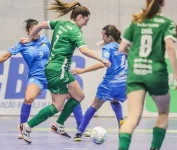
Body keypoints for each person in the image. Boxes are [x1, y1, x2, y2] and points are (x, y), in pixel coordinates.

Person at [19, 0, 110, 143]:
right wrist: (102, 60)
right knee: (58, 105)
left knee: (79, 96)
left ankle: (59, 124)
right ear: (80, 17)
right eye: (86, 20)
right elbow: (84, 50)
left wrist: (29, 38)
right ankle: (27, 127)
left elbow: (41, 24)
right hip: (58, 70)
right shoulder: (75, 31)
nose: (86, 24)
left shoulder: (61, 24)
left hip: (60, 69)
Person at [0, 18, 85, 139]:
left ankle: (81, 128)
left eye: (38, 30)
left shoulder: (45, 40)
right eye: (33, 30)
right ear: (28, 31)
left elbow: (56, 53)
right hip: (36, 77)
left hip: (52, 75)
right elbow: (6, 55)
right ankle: (23, 127)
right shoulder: (22, 44)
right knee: (28, 98)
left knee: (74, 96)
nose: (37, 33)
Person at [118, 0, 177, 149]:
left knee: (132, 116)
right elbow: (170, 47)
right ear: (162, 3)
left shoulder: (136, 21)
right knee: (163, 113)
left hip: (136, 73)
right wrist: (176, 75)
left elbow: (122, 48)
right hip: (156, 74)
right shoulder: (166, 23)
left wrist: (133, 55)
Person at [71, 25, 127, 141]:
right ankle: (121, 120)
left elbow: (103, 63)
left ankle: (79, 132)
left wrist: (83, 70)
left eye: (103, 35)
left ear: (110, 36)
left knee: (94, 106)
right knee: (114, 101)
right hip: (124, 84)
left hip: (110, 84)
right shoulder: (123, 46)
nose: (102, 37)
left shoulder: (108, 48)